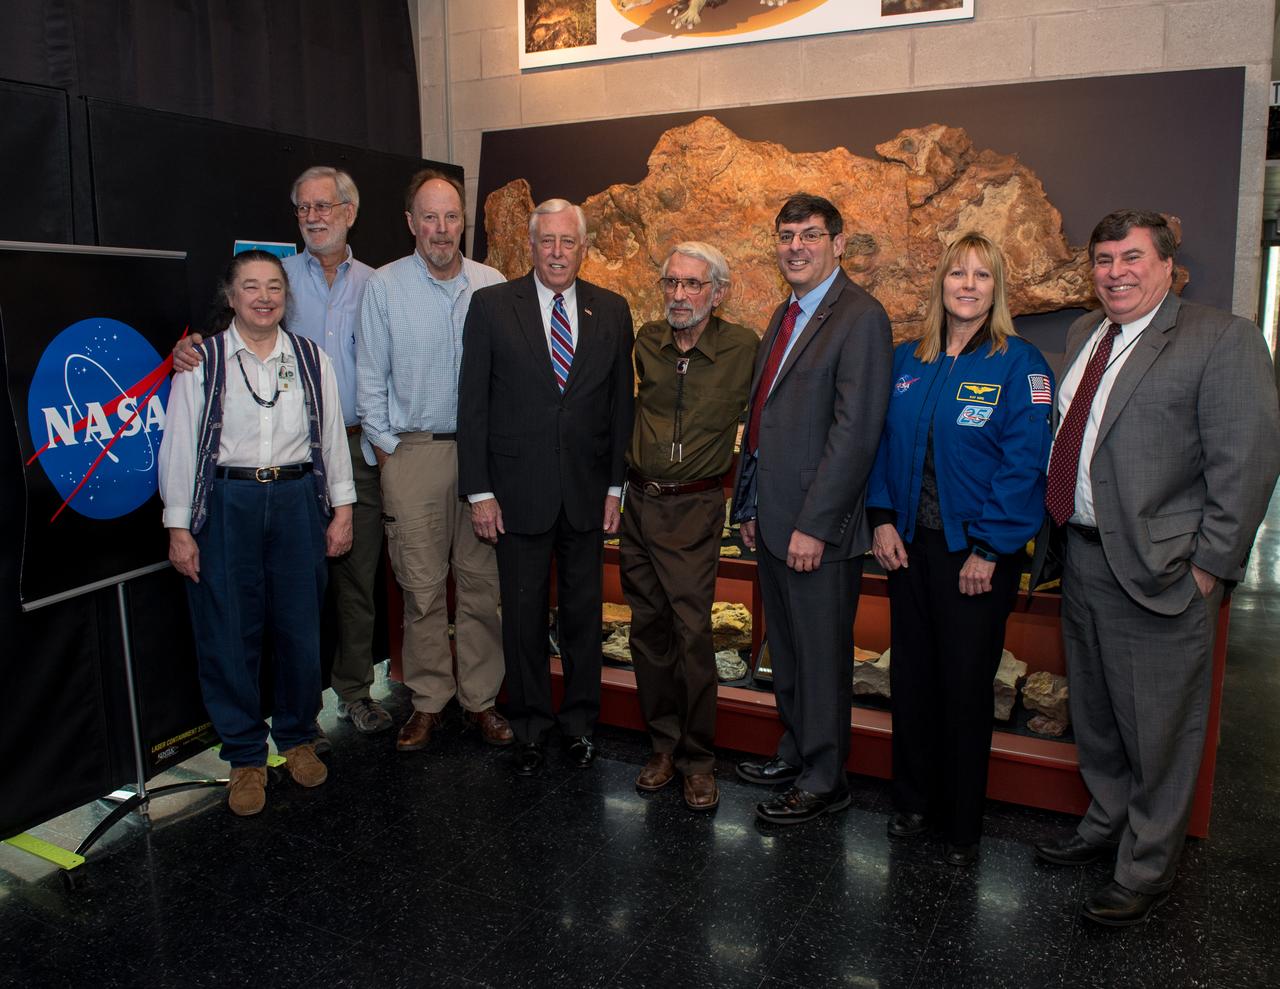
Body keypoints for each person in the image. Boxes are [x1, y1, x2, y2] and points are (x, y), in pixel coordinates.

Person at [1034, 209, 1280, 925]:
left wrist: (1210, 567)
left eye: (1132, 257)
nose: (1116, 272)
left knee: (1160, 728)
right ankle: (1106, 821)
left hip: (1162, 570)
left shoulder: (1221, 339)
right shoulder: (1087, 334)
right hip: (1081, 558)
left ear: (1167, 264)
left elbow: (1247, 461)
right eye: (1104, 259)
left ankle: (1147, 865)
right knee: (1100, 714)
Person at [173, 166, 390, 740]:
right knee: (252, 615)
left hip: (350, 451)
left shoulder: (379, 283)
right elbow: (214, 352)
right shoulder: (271, 272)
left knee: (347, 589)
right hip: (250, 479)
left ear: (350, 211)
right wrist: (185, 353)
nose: (315, 217)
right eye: (304, 208)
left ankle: (349, 697)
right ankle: (259, 739)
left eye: (325, 206)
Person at [866, 232, 1053, 866]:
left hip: (973, 558)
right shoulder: (906, 361)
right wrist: (882, 520)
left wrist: (990, 549)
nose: (967, 285)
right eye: (956, 274)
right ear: (940, 283)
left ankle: (961, 823)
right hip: (906, 550)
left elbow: (1025, 464)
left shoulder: (1020, 365)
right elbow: (882, 448)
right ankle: (913, 802)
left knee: (965, 688)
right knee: (912, 680)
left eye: (981, 275)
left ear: (997, 287)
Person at [159, 250, 355, 816]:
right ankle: (245, 756)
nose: (264, 296)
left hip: (297, 501)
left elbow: (334, 442)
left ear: (285, 296)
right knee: (227, 631)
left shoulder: (312, 358)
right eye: (251, 286)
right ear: (231, 295)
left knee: (300, 626)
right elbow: (177, 446)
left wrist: (342, 509)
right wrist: (179, 527)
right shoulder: (204, 361)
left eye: (273, 286)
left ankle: (296, 738)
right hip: (227, 503)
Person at [731, 193, 893, 825]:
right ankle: (797, 751)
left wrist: (814, 526)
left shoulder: (861, 317)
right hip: (771, 519)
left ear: (838, 243)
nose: (795, 246)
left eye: (809, 235)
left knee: (822, 658)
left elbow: (855, 435)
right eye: (786, 235)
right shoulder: (785, 313)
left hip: (816, 531)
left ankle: (827, 779)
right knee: (790, 652)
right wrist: (748, 503)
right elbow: (764, 420)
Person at [458, 199, 635, 776]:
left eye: (568, 242)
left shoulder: (611, 310)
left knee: (585, 617)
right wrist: (479, 492)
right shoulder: (490, 307)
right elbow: (474, 405)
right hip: (515, 495)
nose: (557, 252)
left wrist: (616, 488)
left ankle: (581, 724)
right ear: (530, 247)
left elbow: (620, 406)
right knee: (524, 618)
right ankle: (531, 726)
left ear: (583, 249)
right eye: (547, 242)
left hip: (587, 495)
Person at [356, 169, 513, 751]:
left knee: (480, 585)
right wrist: (389, 454)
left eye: (451, 216)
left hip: (483, 461)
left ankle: (482, 701)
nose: (441, 229)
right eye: (429, 216)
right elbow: (370, 378)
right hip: (414, 453)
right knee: (421, 590)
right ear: (410, 223)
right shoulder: (386, 287)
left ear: (462, 219)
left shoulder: (492, 284)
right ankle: (428, 702)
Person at [622, 242, 758, 811]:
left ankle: (699, 760)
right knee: (647, 634)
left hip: (697, 510)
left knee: (692, 636)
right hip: (638, 506)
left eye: (693, 285)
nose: (679, 295)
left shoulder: (743, 348)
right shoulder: (646, 343)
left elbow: (763, 432)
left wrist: (751, 506)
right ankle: (661, 747)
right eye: (671, 283)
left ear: (718, 293)